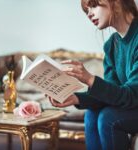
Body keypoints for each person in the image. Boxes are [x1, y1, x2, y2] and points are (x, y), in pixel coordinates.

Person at [49, 0, 138, 150]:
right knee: (91, 114)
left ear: (116, 2)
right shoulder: (111, 45)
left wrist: (90, 79)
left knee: (108, 117)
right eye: (87, 10)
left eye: (94, 6)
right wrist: (76, 98)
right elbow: (113, 93)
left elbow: (131, 95)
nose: (89, 14)